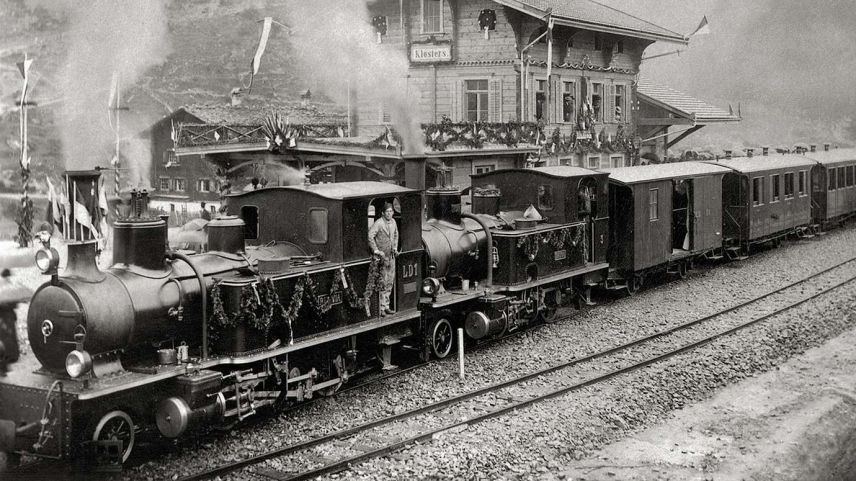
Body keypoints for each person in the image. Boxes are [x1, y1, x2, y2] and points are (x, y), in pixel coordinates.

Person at [368, 202, 399, 316]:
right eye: (387, 212)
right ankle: (380, 308)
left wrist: (395, 247)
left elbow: (396, 235)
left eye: (391, 212)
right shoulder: (379, 223)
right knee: (383, 282)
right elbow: (370, 236)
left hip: (391, 256)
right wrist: (375, 250)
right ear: (383, 213)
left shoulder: (394, 222)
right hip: (382, 258)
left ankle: (386, 306)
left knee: (390, 281)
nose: (389, 214)